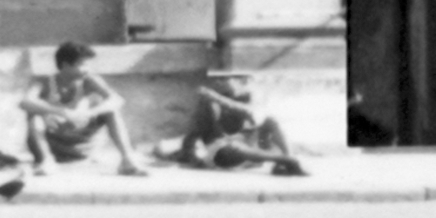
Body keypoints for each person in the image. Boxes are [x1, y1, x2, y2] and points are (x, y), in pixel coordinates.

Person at [22, 41, 147, 176]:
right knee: (34, 116)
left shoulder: (89, 80)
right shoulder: (45, 82)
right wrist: (61, 112)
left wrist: (88, 113)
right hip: (54, 146)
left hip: (83, 146)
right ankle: (47, 161)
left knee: (111, 111)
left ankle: (127, 159)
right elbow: (25, 102)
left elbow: (116, 100)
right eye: (82, 65)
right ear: (65, 65)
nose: (87, 69)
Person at [170, 71, 308, 175]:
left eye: (233, 78)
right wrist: (188, 154)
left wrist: (216, 97)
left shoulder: (245, 97)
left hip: (252, 149)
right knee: (234, 147)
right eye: (221, 79)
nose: (223, 82)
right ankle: (285, 160)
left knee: (271, 121)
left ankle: (287, 159)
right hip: (224, 153)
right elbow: (195, 131)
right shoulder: (208, 104)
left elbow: (249, 114)